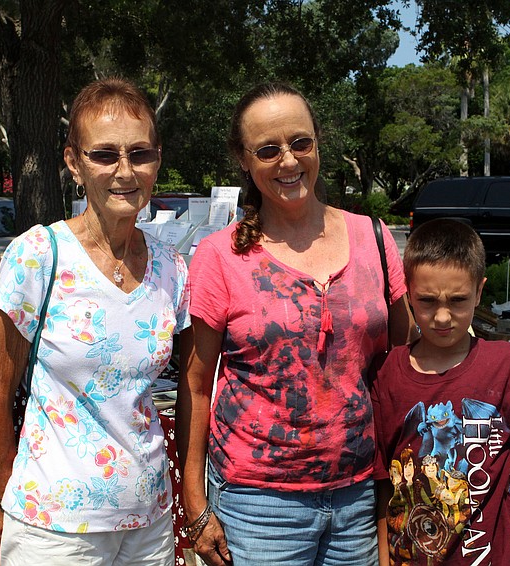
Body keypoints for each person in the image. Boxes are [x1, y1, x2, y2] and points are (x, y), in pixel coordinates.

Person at [176, 82, 415, 566]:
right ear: (243, 160)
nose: (288, 161)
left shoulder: (372, 237)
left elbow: (404, 352)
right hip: (257, 506)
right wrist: (195, 501)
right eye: (268, 149)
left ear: (318, 142)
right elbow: (196, 386)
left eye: (300, 143)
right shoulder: (220, 256)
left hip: (357, 499)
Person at [0, 77, 190, 566]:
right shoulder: (38, 255)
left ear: (157, 160)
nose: (125, 171)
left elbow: (193, 389)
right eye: (105, 155)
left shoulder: (172, 268)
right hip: (54, 529)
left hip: (149, 523)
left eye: (140, 154)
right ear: (74, 162)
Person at [370, 219, 510, 565]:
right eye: (426, 301)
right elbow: (383, 486)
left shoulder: (505, 365)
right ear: (407, 292)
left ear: (480, 292)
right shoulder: (386, 374)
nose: (442, 317)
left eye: (458, 300)